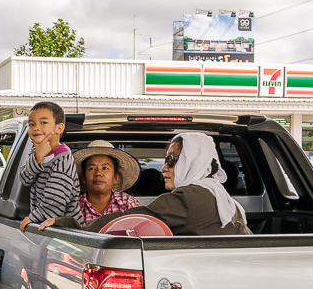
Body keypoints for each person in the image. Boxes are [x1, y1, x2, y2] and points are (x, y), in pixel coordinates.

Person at [41, 132, 251, 236]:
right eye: (92, 168)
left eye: (171, 160)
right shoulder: (221, 197)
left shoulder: (189, 197)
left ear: (193, 161)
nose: (164, 168)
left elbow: (133, 219)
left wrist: (69, 226)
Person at [18, 101, 79, 232]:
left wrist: (32, 218)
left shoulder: (63, 159)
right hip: (49, 225)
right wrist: (38, 158)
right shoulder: (36, 152)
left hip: (67, 229)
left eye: (43, 122)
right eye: (31, 124)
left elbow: (55, 200)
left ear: (59, 128)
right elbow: (25, 178)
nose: (36, 128)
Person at [71, 140, 141, 223]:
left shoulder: (128, 204)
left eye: (105, 168)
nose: (98, 173)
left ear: (116, 177)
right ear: (83, 178)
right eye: (92, 168)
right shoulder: (74, 207)